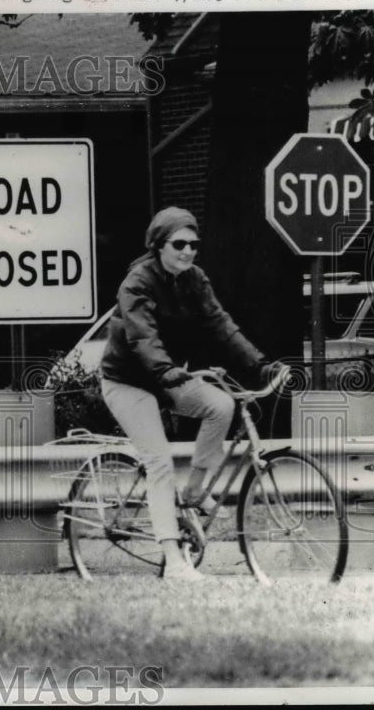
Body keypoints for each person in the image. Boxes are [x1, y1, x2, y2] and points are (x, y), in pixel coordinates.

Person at [99, 207, 280, 581]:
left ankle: (195, 492)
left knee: (221, 404)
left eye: (194, 245)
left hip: (168, 376)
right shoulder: (137, 282)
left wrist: (260, 364)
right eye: (179, 244)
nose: (188, 251)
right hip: (128, 381)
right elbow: (142, 337)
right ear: (158, 246)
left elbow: (221, 325)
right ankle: (174, 561)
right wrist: (166, 372)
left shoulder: (194, 279)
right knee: (160, 462)